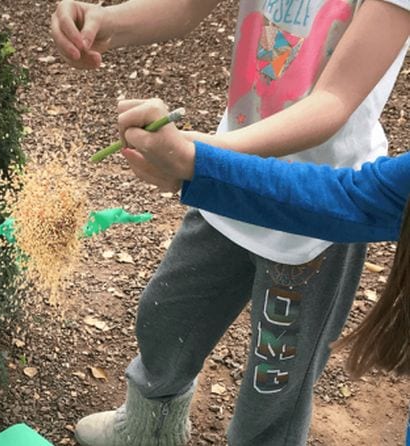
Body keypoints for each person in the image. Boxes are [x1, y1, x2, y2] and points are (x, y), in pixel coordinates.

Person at [50, 0, 410, 445]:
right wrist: (105, 23)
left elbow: (332, 101)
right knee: (166, 315)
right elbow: (186, 7)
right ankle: (148, 430)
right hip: (227, 186)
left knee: (274, 384)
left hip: (313, 214)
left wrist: (208, 159)